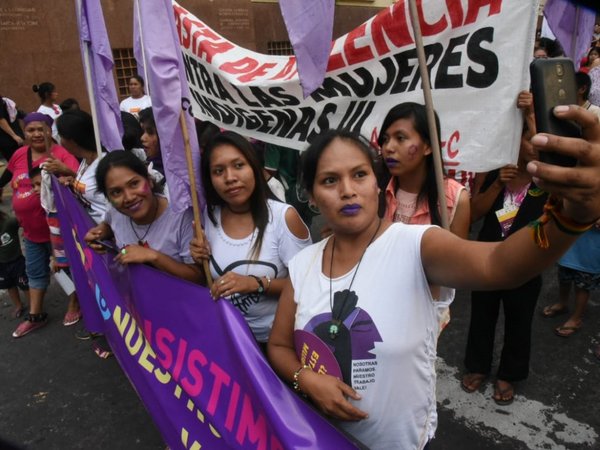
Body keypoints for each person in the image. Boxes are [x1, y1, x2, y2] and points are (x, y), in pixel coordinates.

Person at [267, 104, 600, 450]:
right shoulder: (303, 264)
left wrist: (573, 216)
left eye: (360, 175)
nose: (348, 190)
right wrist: (304, 378)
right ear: (313, 198)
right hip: (318, 437)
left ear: (378, 184)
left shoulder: (417, 245)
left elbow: (500, 265)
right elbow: (278, 345)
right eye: (329, 180)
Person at [462, 97, 547, 406]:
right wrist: (498, 184)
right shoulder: (497, 169)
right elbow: (472, 215)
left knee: (519, 318)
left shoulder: (545, 179)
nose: (533, 146)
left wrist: (530, 113)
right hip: (487, 258)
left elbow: (546, 147)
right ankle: (477, 366)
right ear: (515, 140)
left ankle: (509, 374)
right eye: (527, 139)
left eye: (536, 139)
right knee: (482, 313)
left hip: (527, 263)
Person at [189, 131, 311, 349]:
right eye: (218, 171)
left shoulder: (284, 218)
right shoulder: (206, 217)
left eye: (238, 165)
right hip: (231, 341)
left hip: (281, 344)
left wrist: (255, 283)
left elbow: (309, 286)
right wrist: (199, 261)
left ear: (254, 167)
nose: (230, 177)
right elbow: (206, 282)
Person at [379, 102, 470, 333]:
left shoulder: (454, 198)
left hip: (422, 315)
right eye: (385, 139)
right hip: (374, 306)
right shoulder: (372, 190)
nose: (389, 147)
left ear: (428, 146)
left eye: (400, 138)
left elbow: (457, 269)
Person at [0, 112, 79, 338]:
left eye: (40, 129)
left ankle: (74, 304)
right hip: (31, 233)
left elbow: (78, 183)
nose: (35, 134)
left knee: (67, 270)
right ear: (24, 132)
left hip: (59, 233)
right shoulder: (18, 155)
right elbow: (5, 179)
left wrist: (66, 174)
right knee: (34, 272)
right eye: (30, 130)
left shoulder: (62, 155)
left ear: (49, 131)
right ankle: (36, 315)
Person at [84, 151, 200, 284]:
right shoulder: (116, 212)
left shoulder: (182, 218)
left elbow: (199, 278)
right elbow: (110, 225)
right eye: (116, 192)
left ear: (149, 180)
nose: (129, 197)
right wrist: (100, 233)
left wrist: (153, 256)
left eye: (134, 184)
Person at [29, 166, 81, 326]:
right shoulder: (48, 208)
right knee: (67, 277)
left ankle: (78, 304)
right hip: (61, 256)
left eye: (40, 185)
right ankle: (77, 302)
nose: (36, 190)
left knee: (77, 278)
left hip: (73, 254)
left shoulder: (63, 205)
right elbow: (54, 234)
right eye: (33, 186)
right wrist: (55, 256)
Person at [47, 109, 108, 224]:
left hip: (107, 233)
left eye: (61, 137)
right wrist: (73, 180)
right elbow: (93, 186)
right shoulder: (86, 160)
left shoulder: (105, 164)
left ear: (72, 140)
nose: (59, 141)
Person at [540, 224, 600, 336]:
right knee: (564, 277)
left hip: (591, 249)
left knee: (582, 286)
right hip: (571, 242)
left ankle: (576, 319)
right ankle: (562, 303)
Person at [0, 210, 29, 319]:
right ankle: (18, 305)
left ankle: (34, 307)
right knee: (9, 285)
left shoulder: (9, 222)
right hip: (1, 264)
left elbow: (23, 221)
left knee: (24, 284)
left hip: (16, 260)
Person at [0, 95, 24, 162]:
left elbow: (14, 112)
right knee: (17, 163)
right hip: (8, 140)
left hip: (13, 139)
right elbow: (1, 120)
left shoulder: (4, 100)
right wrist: (14, 136)